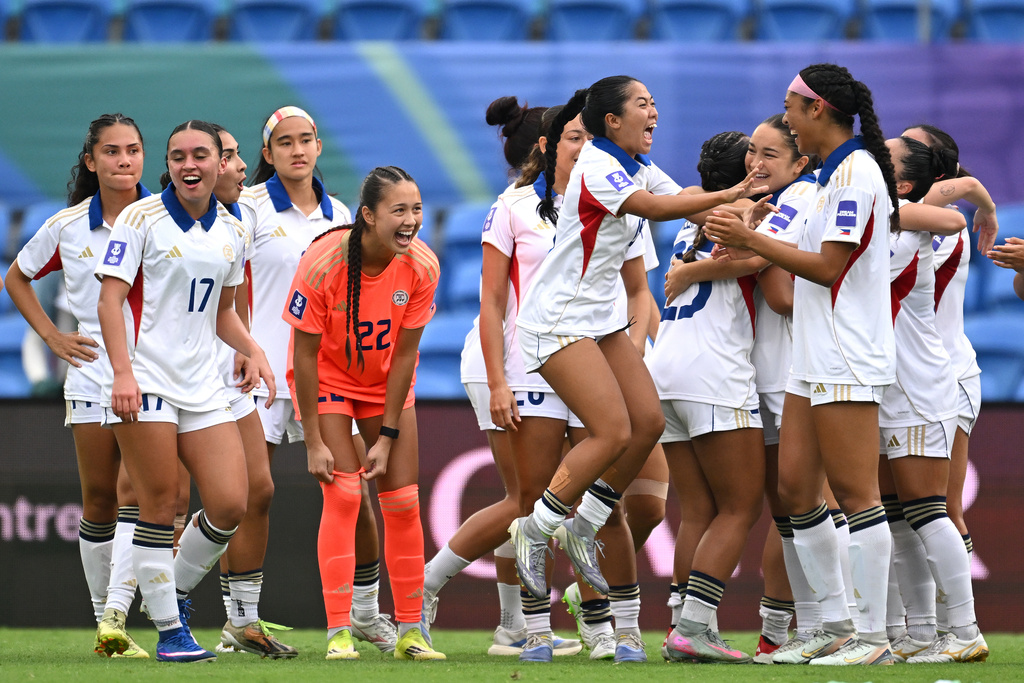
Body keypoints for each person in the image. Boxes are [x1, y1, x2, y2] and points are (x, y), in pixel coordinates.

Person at [509, 75, 766, 629]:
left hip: (599, 320)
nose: (654, 113)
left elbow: (691, 210)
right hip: (557, 321)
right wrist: (733, 195)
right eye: (642, 104)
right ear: (612, 122)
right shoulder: (599, 166)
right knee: (612, 433)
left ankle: (583, 528)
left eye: (655, 103)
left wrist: (756, 218)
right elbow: (658, 208)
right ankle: (534, 529)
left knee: (646, 423)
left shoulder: (634, 162)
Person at [705, 63, 900, 666]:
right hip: (811, 353)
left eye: (790, 107)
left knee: (856, 493)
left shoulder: (858, 170)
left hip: (847, 351)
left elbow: (826, 267)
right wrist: (756, 233)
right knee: (793, 490)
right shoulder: (830, 175)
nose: (785, 117)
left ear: (817, 111)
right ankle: (833, 624)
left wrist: (751, 242)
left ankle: (873, 638)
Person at [96, 119, 274, 663]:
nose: (189, 165)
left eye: (201, 155)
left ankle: (167, 590)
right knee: (158, 504)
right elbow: (110, 301)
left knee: (229, 503)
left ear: (222, 162)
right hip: (145, 380)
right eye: (178, 156)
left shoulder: (234, 229)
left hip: (203, 385)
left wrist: (254, 349)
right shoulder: (140, 217)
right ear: (167, 164)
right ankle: (172, 634)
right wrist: (122, 374)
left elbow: (223, 312)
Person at [432, 96, 583, 659]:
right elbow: (494, 301)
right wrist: (499, 380)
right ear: (547, 146)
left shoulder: (590, 202)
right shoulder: (514, 206)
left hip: (545, 362)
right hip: (509, 362)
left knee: (530, 502)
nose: (585, 145)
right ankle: (426, 586)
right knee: (528, 501)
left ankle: (512, 626)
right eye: (574, 137)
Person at [249, 107, 394, 651]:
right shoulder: (247, 206)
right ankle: (240, 618)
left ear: (318, 146)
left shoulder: (342, 215)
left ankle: (363, 611)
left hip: (323, 374)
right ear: (267, 154)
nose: (297, 150)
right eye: (284, 143)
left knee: (353, 495)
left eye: (306, 139)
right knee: (247, 497)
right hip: (259, 373)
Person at [5, 113, 151, 658]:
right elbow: (16, 277)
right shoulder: (68, 226)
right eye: (111, 152)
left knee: (139, 494)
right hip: (90, 376)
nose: (124, 161)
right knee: (98, 500)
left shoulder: (163, 218)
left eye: (133, 150)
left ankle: (121, 611)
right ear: (91, 161)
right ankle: (105, 625)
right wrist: (51, 337)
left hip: (154, 376)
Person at [286, 166, 445, 662]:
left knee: (402, 502)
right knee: (346, 494)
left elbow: (404, 356)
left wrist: (389, 433)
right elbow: (304, 357)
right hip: (328, 385)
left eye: (416, 209)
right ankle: (338, 633)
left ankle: (412, 632)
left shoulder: (422, 266)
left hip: (386, 390)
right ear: (368, 216)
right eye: (399, 210)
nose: (411, 220)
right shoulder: (322, 262)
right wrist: (312, 439)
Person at [653, 131, 766, 664]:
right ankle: (696, 628)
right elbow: (757, 261)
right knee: (741, 504)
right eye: (757, 158)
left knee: (698, 506)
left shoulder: (687, 219)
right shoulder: (746, 209)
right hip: (714, 370)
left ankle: (682, 625)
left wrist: (692, 268)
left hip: (666, 368)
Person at [878, 135, 987, 664]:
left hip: (920, 385)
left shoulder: (914, 225)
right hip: (882, 384)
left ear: (902, 182)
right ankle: (920, 633)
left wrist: (969, 195)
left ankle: (962, 630)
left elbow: (950, 216)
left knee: (930, 509)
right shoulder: (891, 215)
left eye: (887, 155)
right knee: (897, 517)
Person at [204, 123, 298, 658]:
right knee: (161, 500)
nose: (242, 168)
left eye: (240, 156)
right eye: (231, 157)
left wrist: (251, 351)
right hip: (180, 377)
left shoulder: (240, 220)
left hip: (234, 372)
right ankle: (146, 614)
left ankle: (241, 621)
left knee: (254, 492)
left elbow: (237, 305)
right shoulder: (158, 225)